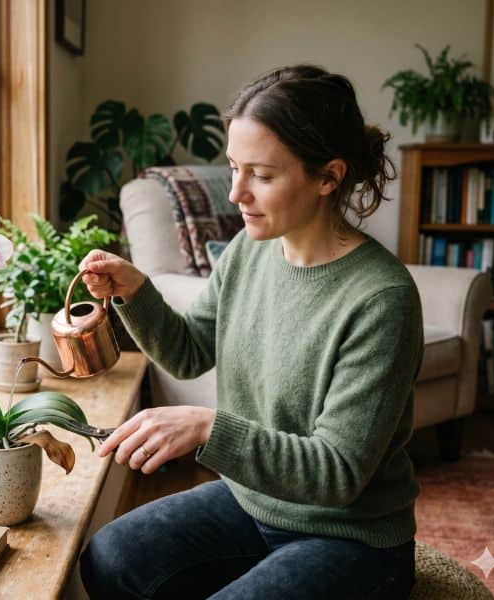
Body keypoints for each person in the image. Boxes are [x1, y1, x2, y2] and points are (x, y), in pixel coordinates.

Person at [77, 64, 424, 599]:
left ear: (328, 177)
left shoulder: (381, 299)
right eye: (234, 168)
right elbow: (191, 351)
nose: (237, 193)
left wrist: (208, 428)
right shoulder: (249, 249)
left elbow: (337, 473)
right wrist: (133, 291)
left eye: (261, 175)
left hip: (353, 538)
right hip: (253, 502)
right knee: (110, 557)